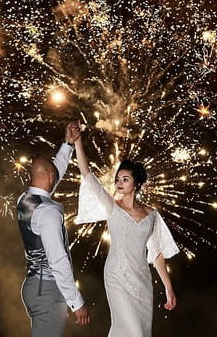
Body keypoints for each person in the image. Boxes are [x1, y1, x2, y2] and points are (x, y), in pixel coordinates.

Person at [71, 122, 179, 336]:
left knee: (140, 332)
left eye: (125, 179)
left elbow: (156, 253)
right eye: (118, 179)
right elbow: (87, 175)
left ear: (136, 185)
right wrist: (77, 143)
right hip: (117, 276)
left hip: (142, 281)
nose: (119, 183)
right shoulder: (112, 206)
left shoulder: (152, 215)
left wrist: (168, 287)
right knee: (132, 331)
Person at [18, 123, 90, 336]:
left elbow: (52, 173)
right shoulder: (49, 212)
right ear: (50, 177)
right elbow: (57, 260)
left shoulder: (25, 200)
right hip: (47, 290)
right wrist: (77, 303)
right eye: (54, 176)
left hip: (34, 286)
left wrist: (68, 144)